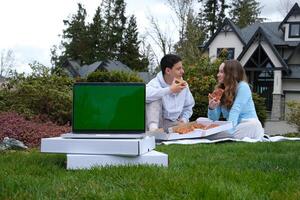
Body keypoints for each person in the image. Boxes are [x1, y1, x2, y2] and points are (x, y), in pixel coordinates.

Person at [207, 59, 264, 139]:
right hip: (233, 125)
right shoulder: (220, 90)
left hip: (248, 124)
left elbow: (235, 110)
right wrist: (211, 108)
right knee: (208, 129)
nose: (218, 75)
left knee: (211, 134)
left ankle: (225, 136)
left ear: (231, 74)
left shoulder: (243, 87)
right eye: (218, 71)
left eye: (222, 72)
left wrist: (228, 131)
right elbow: (214, 119)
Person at [146, 54, 195, 131]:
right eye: (178, 69)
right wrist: (170, 90)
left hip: (173, 122)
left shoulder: (184, 85)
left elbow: (188, 106)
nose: (182, 71)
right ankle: (154, 131)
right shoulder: (155, 83)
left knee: (188, 128)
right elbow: (144, 95)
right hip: (155, 123)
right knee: (154, 97)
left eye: (182, 68)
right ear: (168, 71)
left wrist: (184, 119)